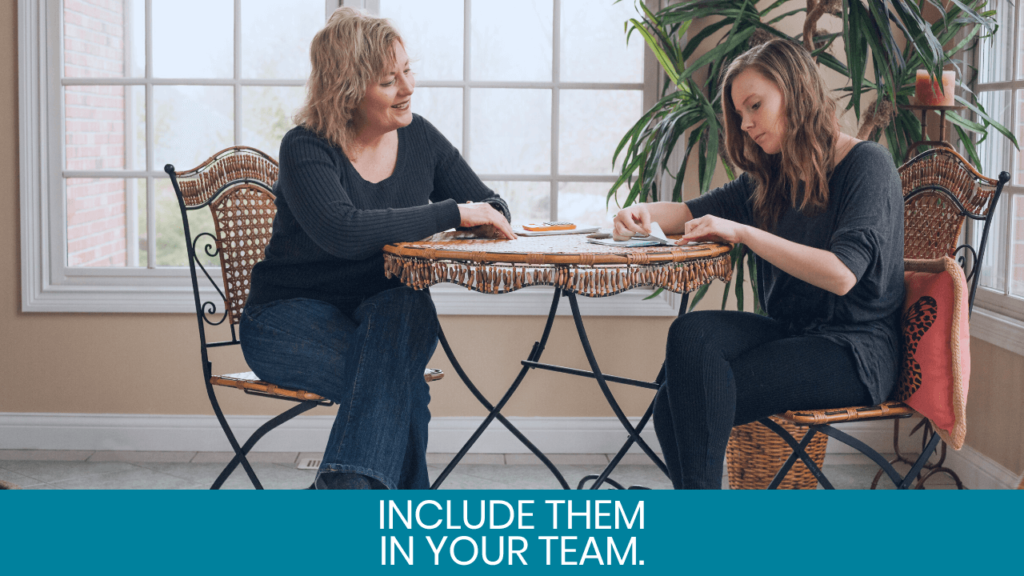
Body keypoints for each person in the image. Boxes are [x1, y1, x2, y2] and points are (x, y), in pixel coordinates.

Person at [239, 7, 516, 490]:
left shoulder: (420, 138)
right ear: (346, 89)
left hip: (383, 320)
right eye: (389, 81)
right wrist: (452, 213)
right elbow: (343, 231)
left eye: (408, 71)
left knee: (406, 306)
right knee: (401, 388)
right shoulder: (305, 148)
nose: (408, 89)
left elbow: (492, 205)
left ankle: (346, 503)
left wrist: (477, 214)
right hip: (285, 321)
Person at [613, 39, 904, 489]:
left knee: (680, 399)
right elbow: (690, 211)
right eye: (739, 113)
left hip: (854, 349)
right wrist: (641, 213)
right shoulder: (773, 177)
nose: (746, 124)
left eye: (755, 106)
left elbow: (842, 274)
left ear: (795, 92)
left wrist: (744, 232)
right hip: (793, 331)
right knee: (689, 335)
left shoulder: (867, 165)